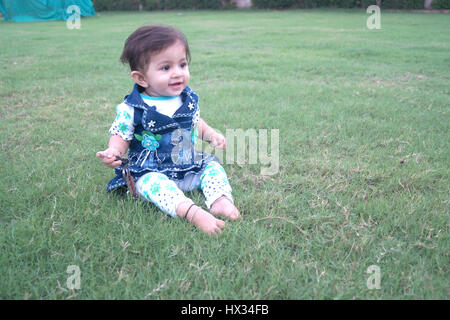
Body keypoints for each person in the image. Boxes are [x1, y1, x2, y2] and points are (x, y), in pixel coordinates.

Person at [96, 25, 239, 235]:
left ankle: (220, 199)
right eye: (166, 68)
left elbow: (195, 123)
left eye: (182, 64)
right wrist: (114, 152)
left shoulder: (186, 99)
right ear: (141, 78)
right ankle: (191, 212)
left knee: (213, 168)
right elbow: (121, 136)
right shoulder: (132, 108)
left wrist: (211, 135)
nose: (177, 73)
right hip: (150, 170)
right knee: (154, 186)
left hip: (187, 164)